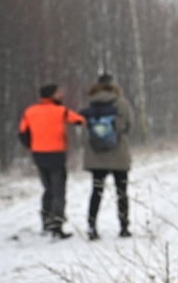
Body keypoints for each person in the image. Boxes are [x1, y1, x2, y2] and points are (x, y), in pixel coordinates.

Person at [18, 83, 86, 239]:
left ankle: (46, 221)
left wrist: (33, 145)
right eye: (58, 93)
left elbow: (22, 133)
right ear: (51, 95)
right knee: (58, 190)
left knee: (47, 188)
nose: (61, 95)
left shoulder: (30, 112)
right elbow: (79, 120)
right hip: (56, 154)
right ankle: (57, 225)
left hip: (39, 155)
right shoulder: (60, 111)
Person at [79, 73, 134, 240]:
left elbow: (83, 128)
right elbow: (129, 124)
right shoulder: (121, 102)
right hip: (118, 154)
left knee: (96, 191)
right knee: (121, 192)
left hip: (96, 156)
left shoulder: (89, 103)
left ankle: (92, 226)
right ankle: (124, 227)